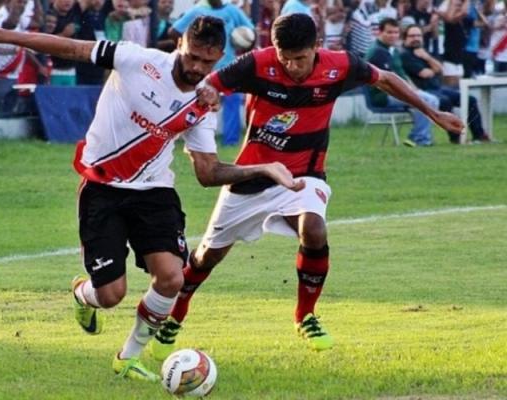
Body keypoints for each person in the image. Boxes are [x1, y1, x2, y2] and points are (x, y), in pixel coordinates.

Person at [0, 14, 303, 382]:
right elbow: (71, 48)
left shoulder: (203, 104)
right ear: (179, 45)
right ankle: (84, 295)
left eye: (208, 62)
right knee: (111, 295)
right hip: (102, 188)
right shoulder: (136, 59)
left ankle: (128, 357)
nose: (196, 67)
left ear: (219, 57)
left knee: (172, 278)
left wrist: (263, 168)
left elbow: (207, 173)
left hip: (154, 193)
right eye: (192, 56)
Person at [148, 13, 463, 360]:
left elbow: (385, 79)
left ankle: (305, 316)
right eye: (285, 58)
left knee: (313, 228)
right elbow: (211, 83)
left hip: (303, 174)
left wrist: (434, 115)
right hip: (252, 174)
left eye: (300, 58)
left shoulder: (339, 66)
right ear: (275, 49)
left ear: (316, 47)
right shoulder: (258, 63)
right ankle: (176, 315)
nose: (293, 67)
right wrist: (209, 93)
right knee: (208, 256)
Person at [170, 0, 255, 146]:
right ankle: (190, 139)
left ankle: (230, 141)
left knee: (232, 102)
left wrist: (244, 46)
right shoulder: (197, 11)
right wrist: (187, 49)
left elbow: (251, 32)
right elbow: (174, 31)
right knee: (199, 102)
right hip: (203, 69)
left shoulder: (232, 11)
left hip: (230, 67)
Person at [400, 24, 491, 143]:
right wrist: (433, 66)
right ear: (405, 38)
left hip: (437, 88)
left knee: (470, 99)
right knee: (445, 101)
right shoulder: (405, 55)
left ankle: (479, 135)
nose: (416, 38)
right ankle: (456, 138)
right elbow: (425, 73)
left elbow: (440, 68)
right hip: (424, 92)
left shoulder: (423, 52)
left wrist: (427, 57)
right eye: (412, 36)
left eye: (418, 35)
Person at [366, 18, 440, 147]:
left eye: (395, 32)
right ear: (379, 32)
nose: (393, 36)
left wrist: (414, 90)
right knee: (427, 100)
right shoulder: (377, 52)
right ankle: (420, 138)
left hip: (399, 91)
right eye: (389, 32)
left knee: (432, 99)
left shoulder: (393, 50)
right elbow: (387, 81)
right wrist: (409, 93)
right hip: (383, 95)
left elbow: (402, 75)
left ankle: (419, 137)